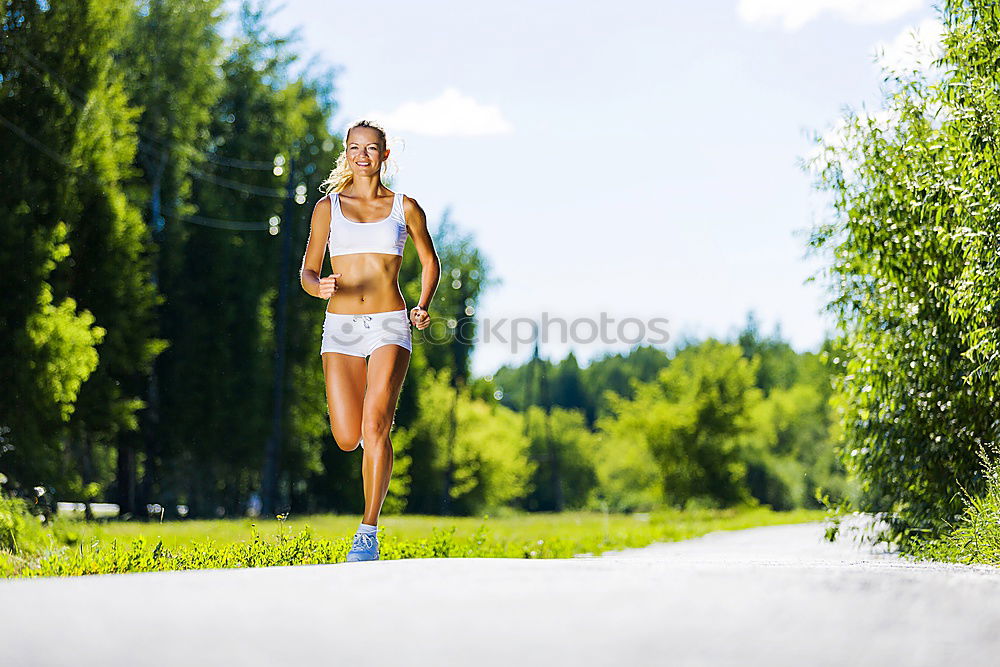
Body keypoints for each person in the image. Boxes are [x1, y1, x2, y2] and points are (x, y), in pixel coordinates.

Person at [299, 119, 440, 562]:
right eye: (354, 148)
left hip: (389, 324)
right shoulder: (327, 208)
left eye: (372, 148)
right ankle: (369, 458)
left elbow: (430, 261)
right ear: (346, 153)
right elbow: (307, 270)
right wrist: (316, 286)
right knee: (347, 436)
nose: (363, 155)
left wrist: (422, 303)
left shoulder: (405, 207)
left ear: (384, 155)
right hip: (339, 327)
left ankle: (368, 529)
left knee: (375, 425)